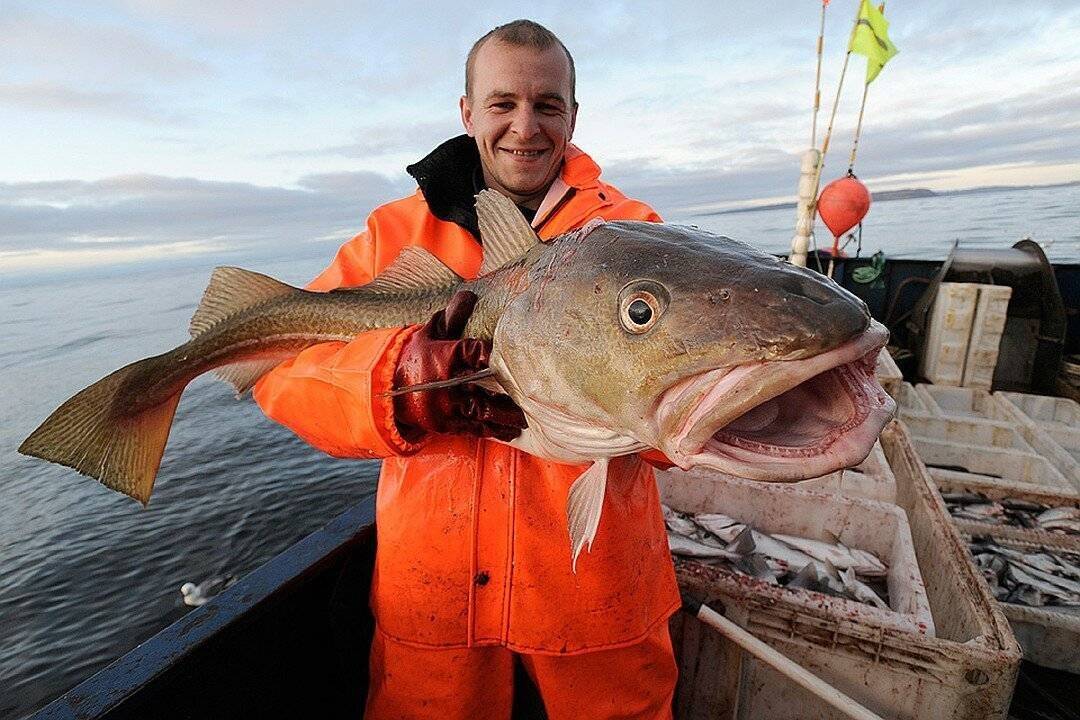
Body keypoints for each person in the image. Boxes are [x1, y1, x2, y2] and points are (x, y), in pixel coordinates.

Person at [254, 19, 681, 720]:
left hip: (598, 594)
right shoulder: (395, 236)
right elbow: (284, 371)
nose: (526, 126)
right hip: (434, 602)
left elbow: (681, 399)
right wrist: (395, 385)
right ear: (467, 112)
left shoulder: (634, 235)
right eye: (503, 103)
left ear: (574, 115)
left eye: (548, 105)